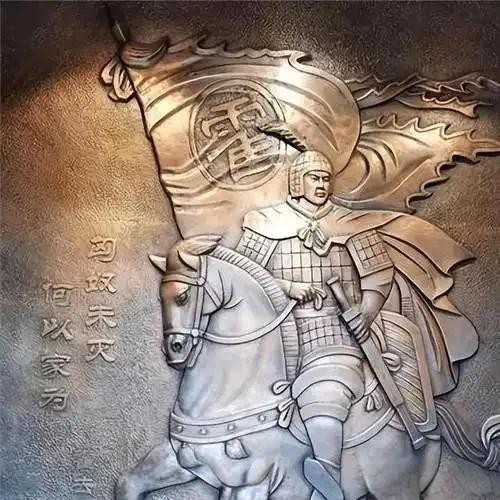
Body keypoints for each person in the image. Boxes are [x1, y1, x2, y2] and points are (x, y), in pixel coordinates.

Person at [235, 150, 397, 500]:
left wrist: (366, 312)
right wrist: (286, 287)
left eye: (326, 178)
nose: (321, 184)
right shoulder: (268, 222)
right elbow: (242, 274)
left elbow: (379, 273)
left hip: (333, 331)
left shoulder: (350, 222)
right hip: (276, 334)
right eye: (314, 178)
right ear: (297, 182)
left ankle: (328, 480)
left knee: (325, 391)